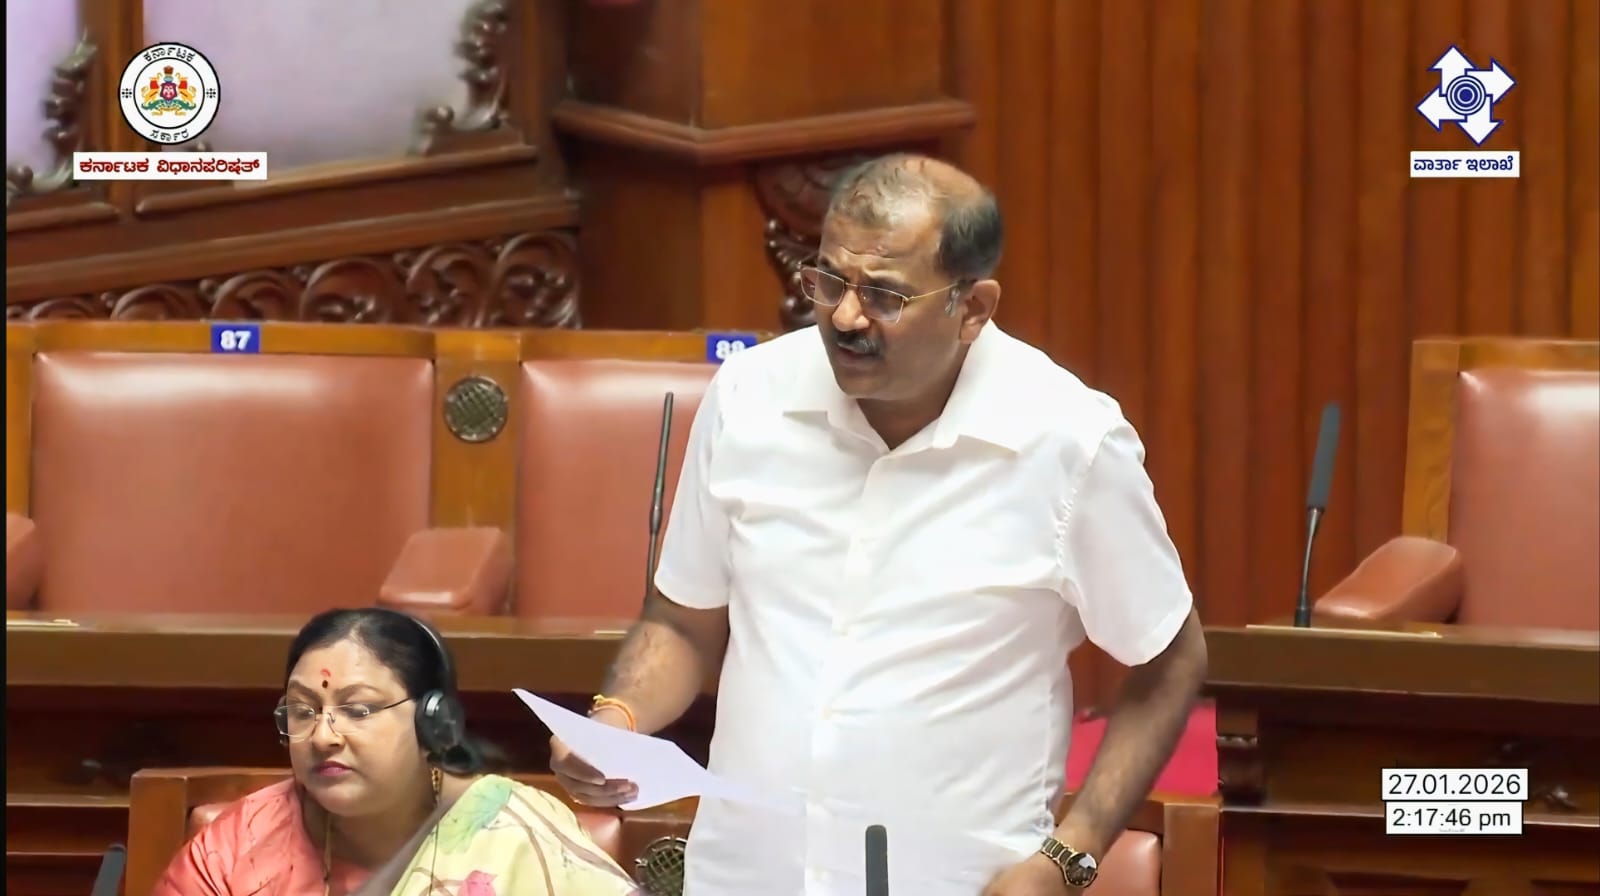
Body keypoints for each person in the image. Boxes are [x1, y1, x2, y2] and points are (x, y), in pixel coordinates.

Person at [549, 153, 1209, 895]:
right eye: (829, 281)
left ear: (973, 307)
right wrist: (616, 718)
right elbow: (683, 622)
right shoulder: (749, 397)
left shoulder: (1068, 442)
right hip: (745, 878)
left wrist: (1068, 856)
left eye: (885, 296)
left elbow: (1169, 659)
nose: (845, 318)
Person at [154, 607, 641, 896]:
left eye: (358, 710)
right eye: (302, 711)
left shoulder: (515, 833)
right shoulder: (239, 845)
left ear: (433, 723)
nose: (323, 737)